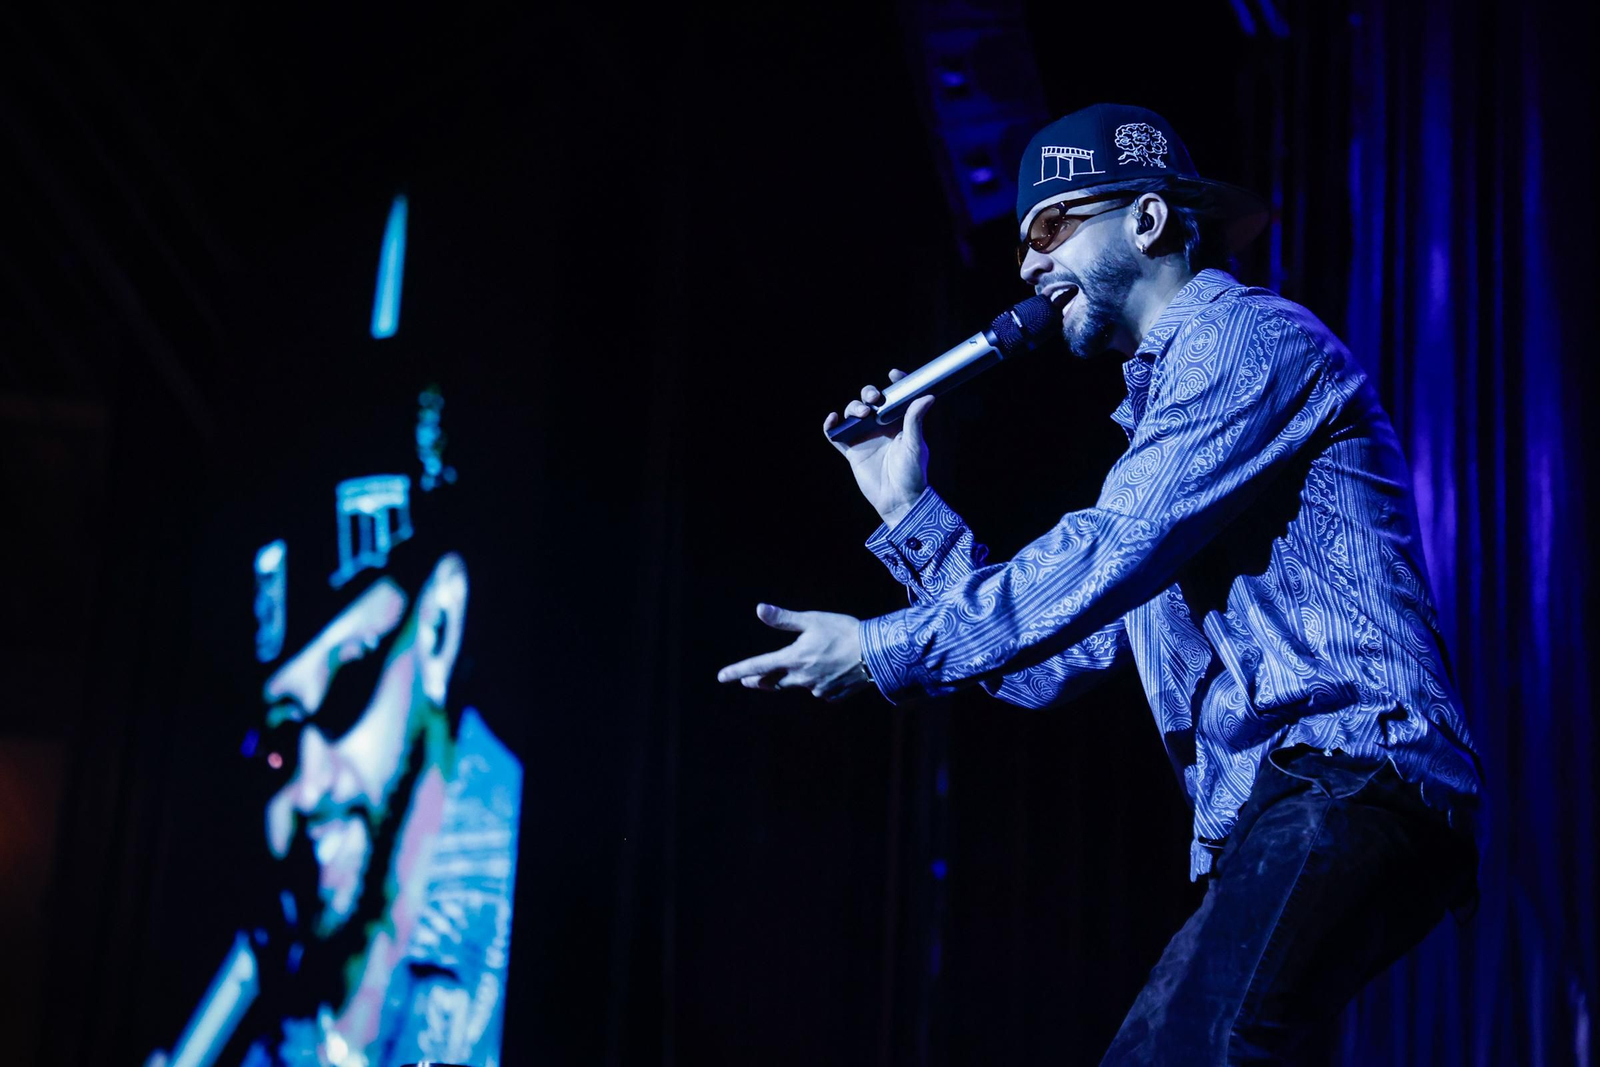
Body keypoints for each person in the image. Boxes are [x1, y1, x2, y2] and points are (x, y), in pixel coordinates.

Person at [716, 103, 1483, 1063]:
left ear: (1148, 220)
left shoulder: (1247, 339)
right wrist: (905, 507)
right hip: (1291, 804)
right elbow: (1049, 664)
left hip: (1354, 770)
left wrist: (878, 649)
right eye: (1020, 243)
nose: (1026, 266)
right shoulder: (1162, 438)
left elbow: (1103, 552)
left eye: (1051, 227)